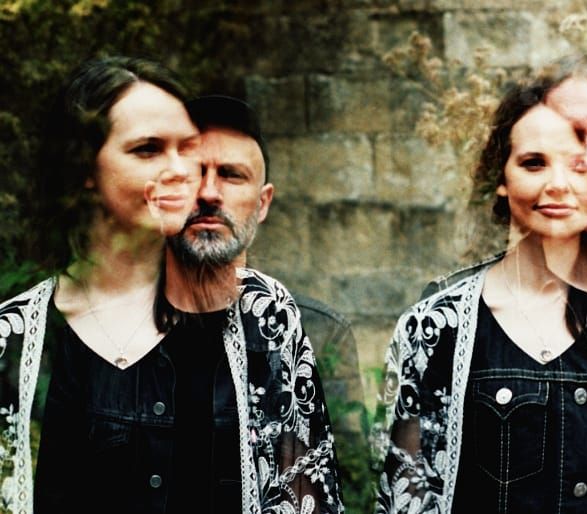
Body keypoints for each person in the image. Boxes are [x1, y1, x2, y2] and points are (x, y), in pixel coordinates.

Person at [0, 57, 342, 514]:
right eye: (149, 149)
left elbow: (306, 496)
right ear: (82, 167)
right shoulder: (17, 340)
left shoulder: (265, 318)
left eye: (186, 150)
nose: (185, 175)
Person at [376, 75, 587, 513]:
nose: (558, 184)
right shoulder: (437, 327)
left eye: (575, 166)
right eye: (533, 163)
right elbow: (406, 493)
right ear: (501, 177)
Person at [181, 94, 370, 510]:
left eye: (231, 175)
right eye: (193, 174)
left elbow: (345, 485)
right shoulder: (114, 330)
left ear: (263, 202)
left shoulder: (317, 333)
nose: (209, 193)